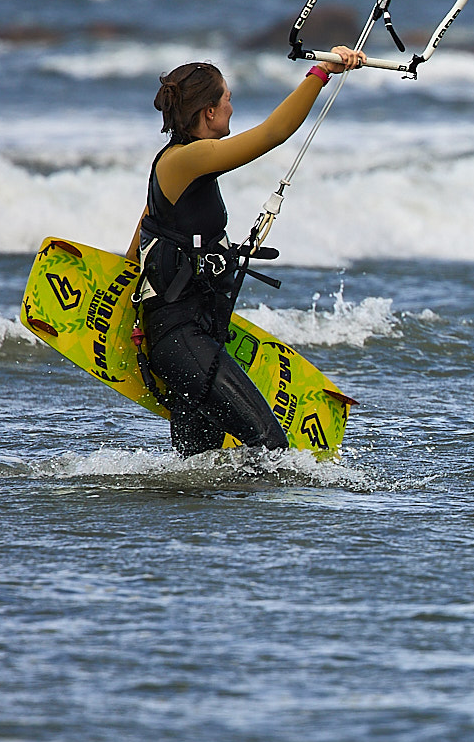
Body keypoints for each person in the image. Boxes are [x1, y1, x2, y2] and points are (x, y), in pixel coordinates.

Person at [132, 47, 365, 457]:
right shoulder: (188, 158)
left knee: (200, 473)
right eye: (227, 100)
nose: (231, 109)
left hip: (194, 335)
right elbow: (273, 133)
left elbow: (148, 223)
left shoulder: (177, 165)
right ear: (208, 112)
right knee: (270, 447)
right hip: (182, 339)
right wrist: (320, 73)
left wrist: (123, 276)